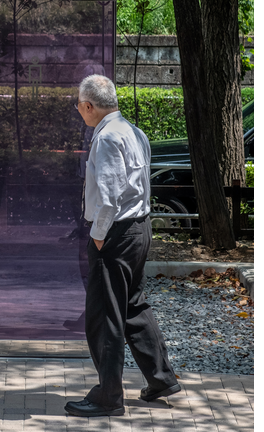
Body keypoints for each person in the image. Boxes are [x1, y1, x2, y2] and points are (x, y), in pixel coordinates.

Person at [64, 75, 180, 417]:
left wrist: (99, 235)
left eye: (79, 106)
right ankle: (161, 378)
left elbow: (110, 194)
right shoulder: (133, 131)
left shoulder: (107, 138)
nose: (79, 111)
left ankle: (108, 397)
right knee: (132, 305)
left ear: (88, 106)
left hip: (115, 233)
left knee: (104, 316)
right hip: (139, 228)